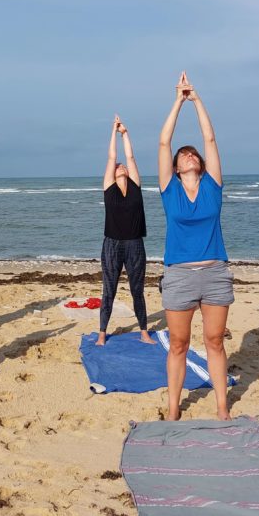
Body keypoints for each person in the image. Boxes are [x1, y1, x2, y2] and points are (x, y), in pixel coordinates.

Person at [158, 72, 233, 421]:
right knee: (178, 344)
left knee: (215, 341)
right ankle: (173, 409)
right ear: (175, 167)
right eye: (183, 155)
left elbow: (211, 137)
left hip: (215, 273)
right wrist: (177, 100)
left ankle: (221, 406)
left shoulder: (212, 185)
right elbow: (163, 143)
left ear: (201, 164)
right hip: (179, 276)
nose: (189, 155)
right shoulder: (169, 189)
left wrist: (197, 99)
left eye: (193, 154)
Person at [97, 114, 152, 346]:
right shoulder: (108, 187)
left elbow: (129, 156)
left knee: (136, 290)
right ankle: (102, 333)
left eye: (123, 167)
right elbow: (113, 156)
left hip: (135, 244)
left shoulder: (136, 186)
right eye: (117, 167)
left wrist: (125, 134)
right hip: (112, 244)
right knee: (108, 289)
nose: (120, 166)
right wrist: (113, 131)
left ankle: (144, 331)